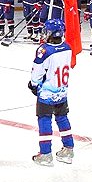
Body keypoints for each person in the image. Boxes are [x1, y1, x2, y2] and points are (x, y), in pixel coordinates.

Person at [29, 18, 75, 166]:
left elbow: (37, 72)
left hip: (47, 93)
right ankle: (69, 148)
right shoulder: (67, 47)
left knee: (44, 119)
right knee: (62, 118)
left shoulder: (44, 50)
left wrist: (33, 85)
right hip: (62, 91)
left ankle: (45, 153)